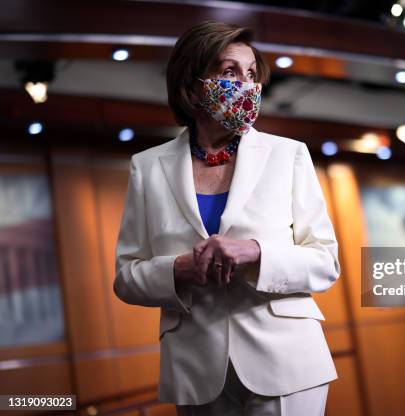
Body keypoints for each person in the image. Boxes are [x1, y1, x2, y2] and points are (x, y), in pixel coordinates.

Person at [113, 20, 341, 416]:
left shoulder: (289, 155)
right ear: (193, 82)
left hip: (287, 359)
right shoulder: (146, 168)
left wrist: (255, 252)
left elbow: (325, 262)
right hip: (196, 368)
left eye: (252, 74)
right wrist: (179, 269)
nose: (246, 84)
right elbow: (126, 278)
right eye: (229, 71)